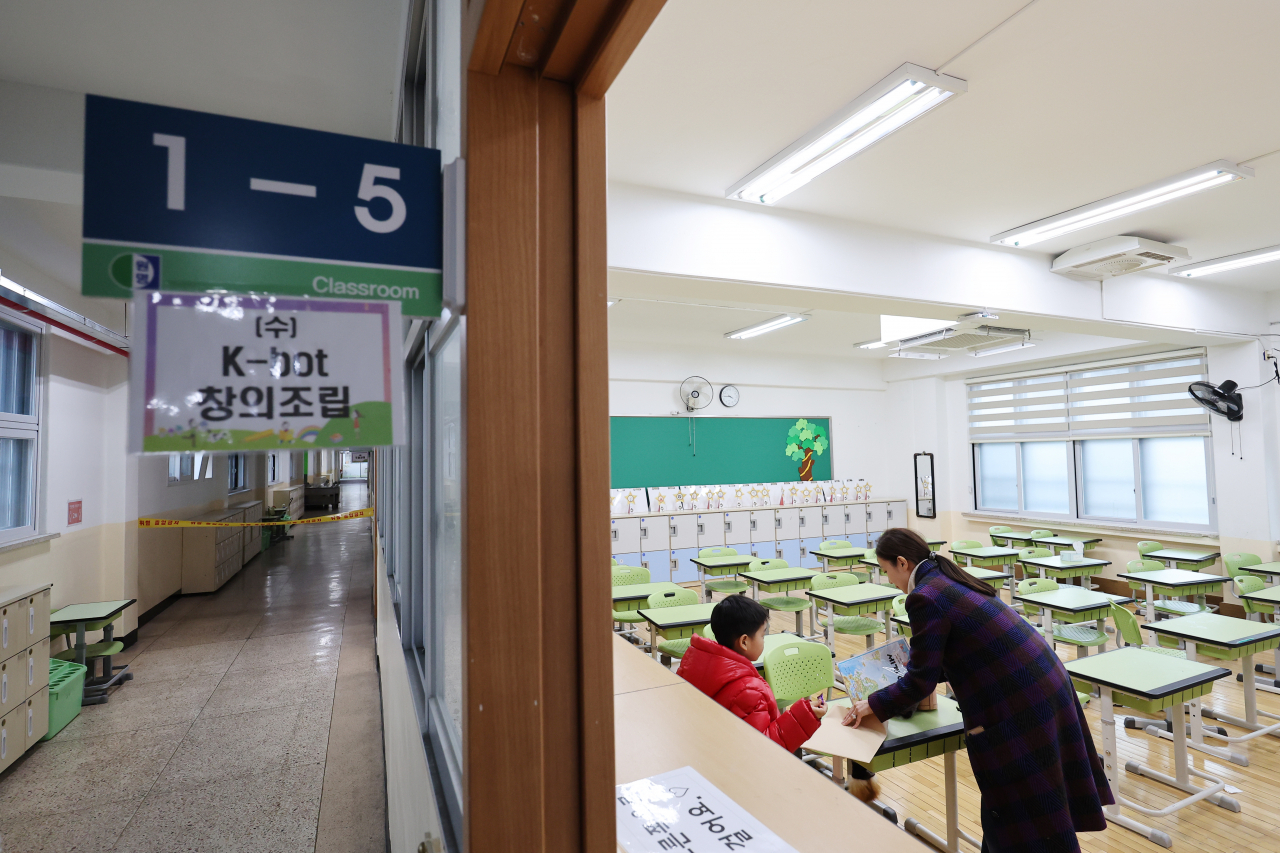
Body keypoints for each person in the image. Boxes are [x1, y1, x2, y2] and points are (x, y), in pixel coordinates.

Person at [843, 528, 1112, 853]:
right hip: (1044, 684)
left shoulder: (924, 596)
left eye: (886, 571)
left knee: (1021, 805)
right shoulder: (948, 577)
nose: (889, 581)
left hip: (1020, 701)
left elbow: (920, 683)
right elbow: (961, 650)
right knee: (1034, 807)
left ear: (902, 562)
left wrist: (870, 704)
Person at [677, 595, 826, 751]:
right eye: (762, 635)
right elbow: (764, 748)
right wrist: (805, 716)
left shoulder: (697, 663)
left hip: (705, 752)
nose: (764, 640)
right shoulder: (749, 691)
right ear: (744, 642)